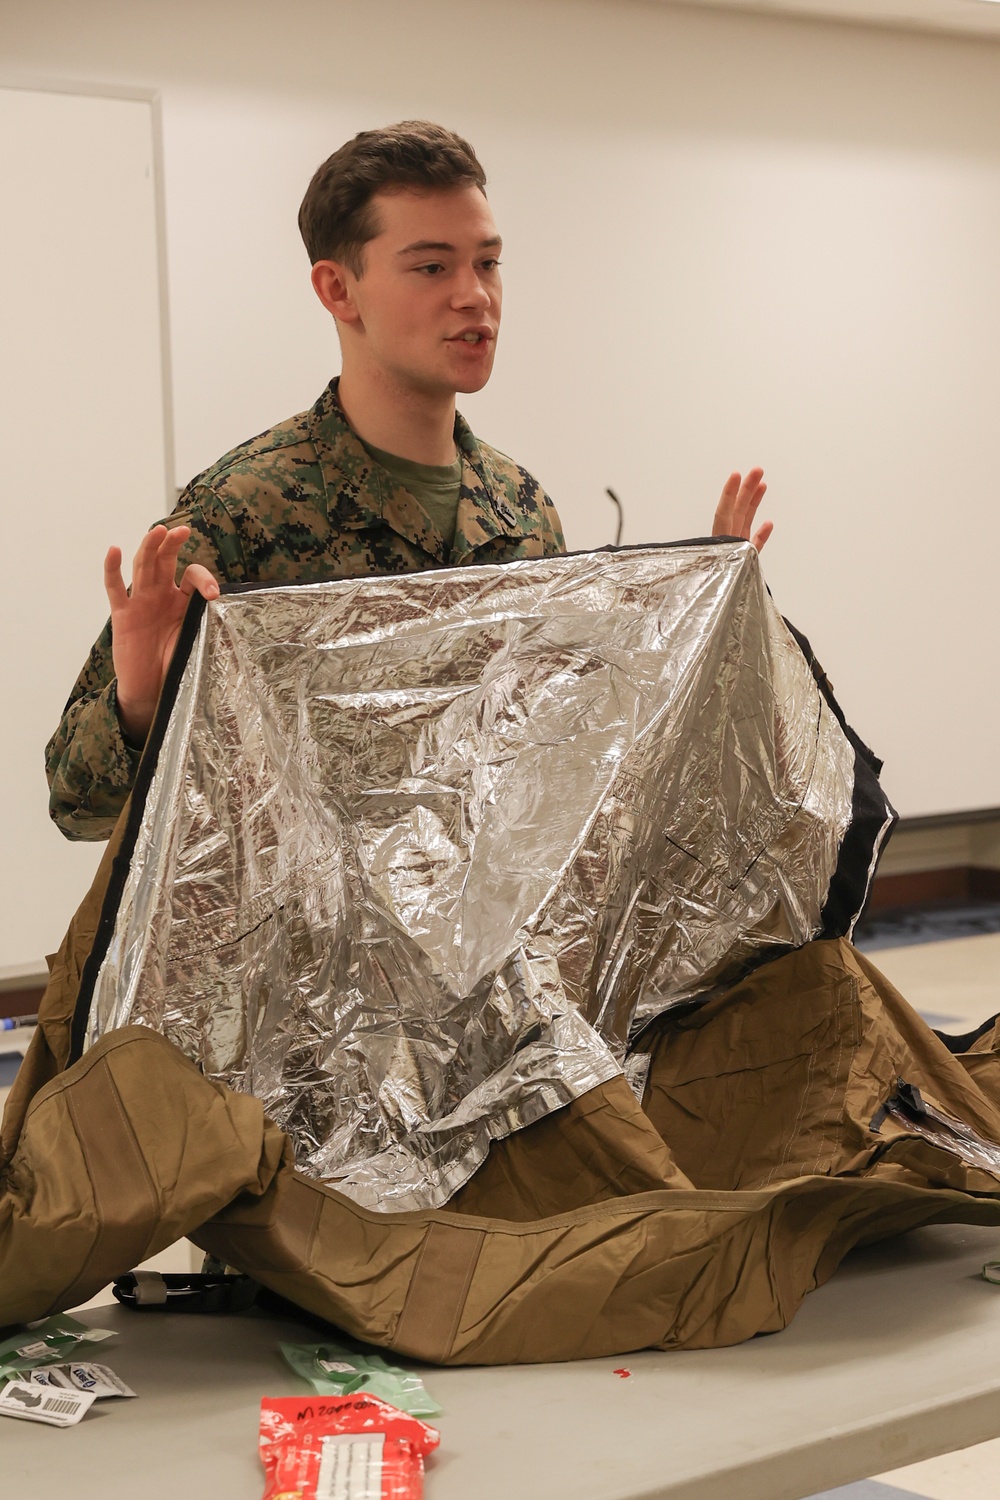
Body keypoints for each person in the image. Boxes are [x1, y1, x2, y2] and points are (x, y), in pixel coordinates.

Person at [45, 120, 771, 842]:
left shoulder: (519, 508)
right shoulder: (241, 513)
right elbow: (77, 807)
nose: (473, 296)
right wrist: (140, 706)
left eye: (487, 263)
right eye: (432, 268)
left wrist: (699, 622)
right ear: (339, 290)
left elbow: (560, 760)